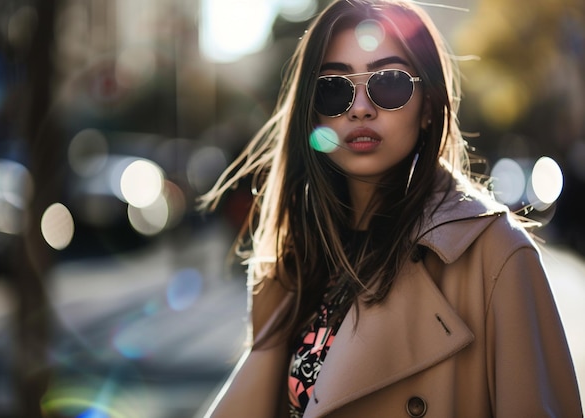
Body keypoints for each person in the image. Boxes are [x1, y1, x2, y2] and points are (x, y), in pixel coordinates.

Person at [197, 0, 583, 416]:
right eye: (334, 88)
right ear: (312, 117)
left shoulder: (495, 257)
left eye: (390, 82)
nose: (360, 107)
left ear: (428, 107)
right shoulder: (296, 265)